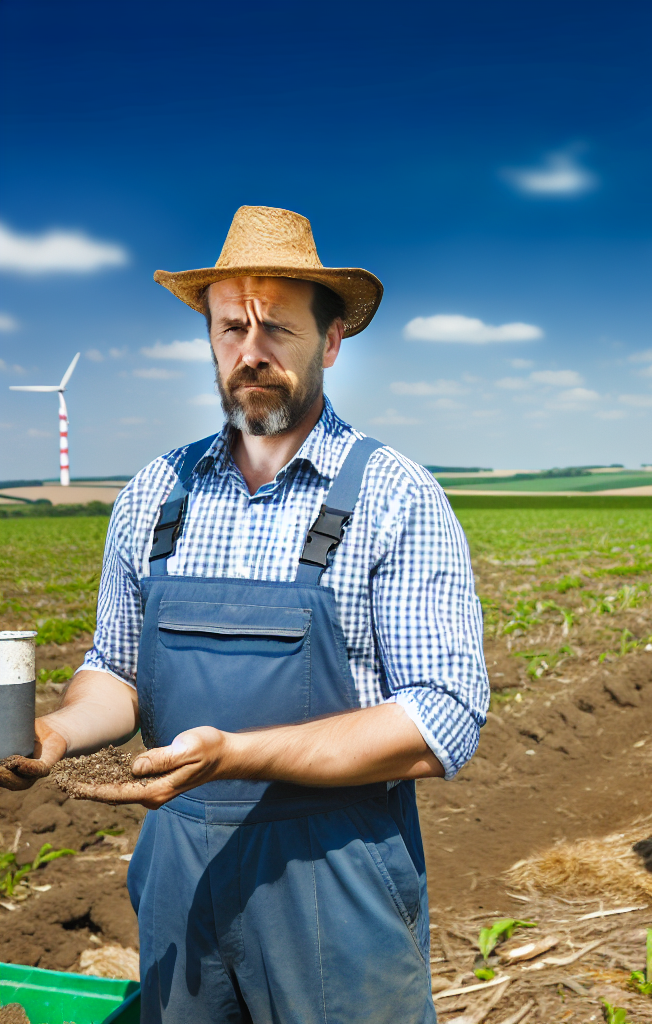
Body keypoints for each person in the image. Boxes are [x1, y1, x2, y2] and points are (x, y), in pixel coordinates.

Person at [0, 206, 489, 1023]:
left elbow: (442, 719)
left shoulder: (394, 495)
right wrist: (59, 733)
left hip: (335, 876)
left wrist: (235, 755)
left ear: (331, 343)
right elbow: (116, 670)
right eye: (231, 328)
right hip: (178, 873)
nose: (250, 353)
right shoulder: (156, 492)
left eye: (278, 331)